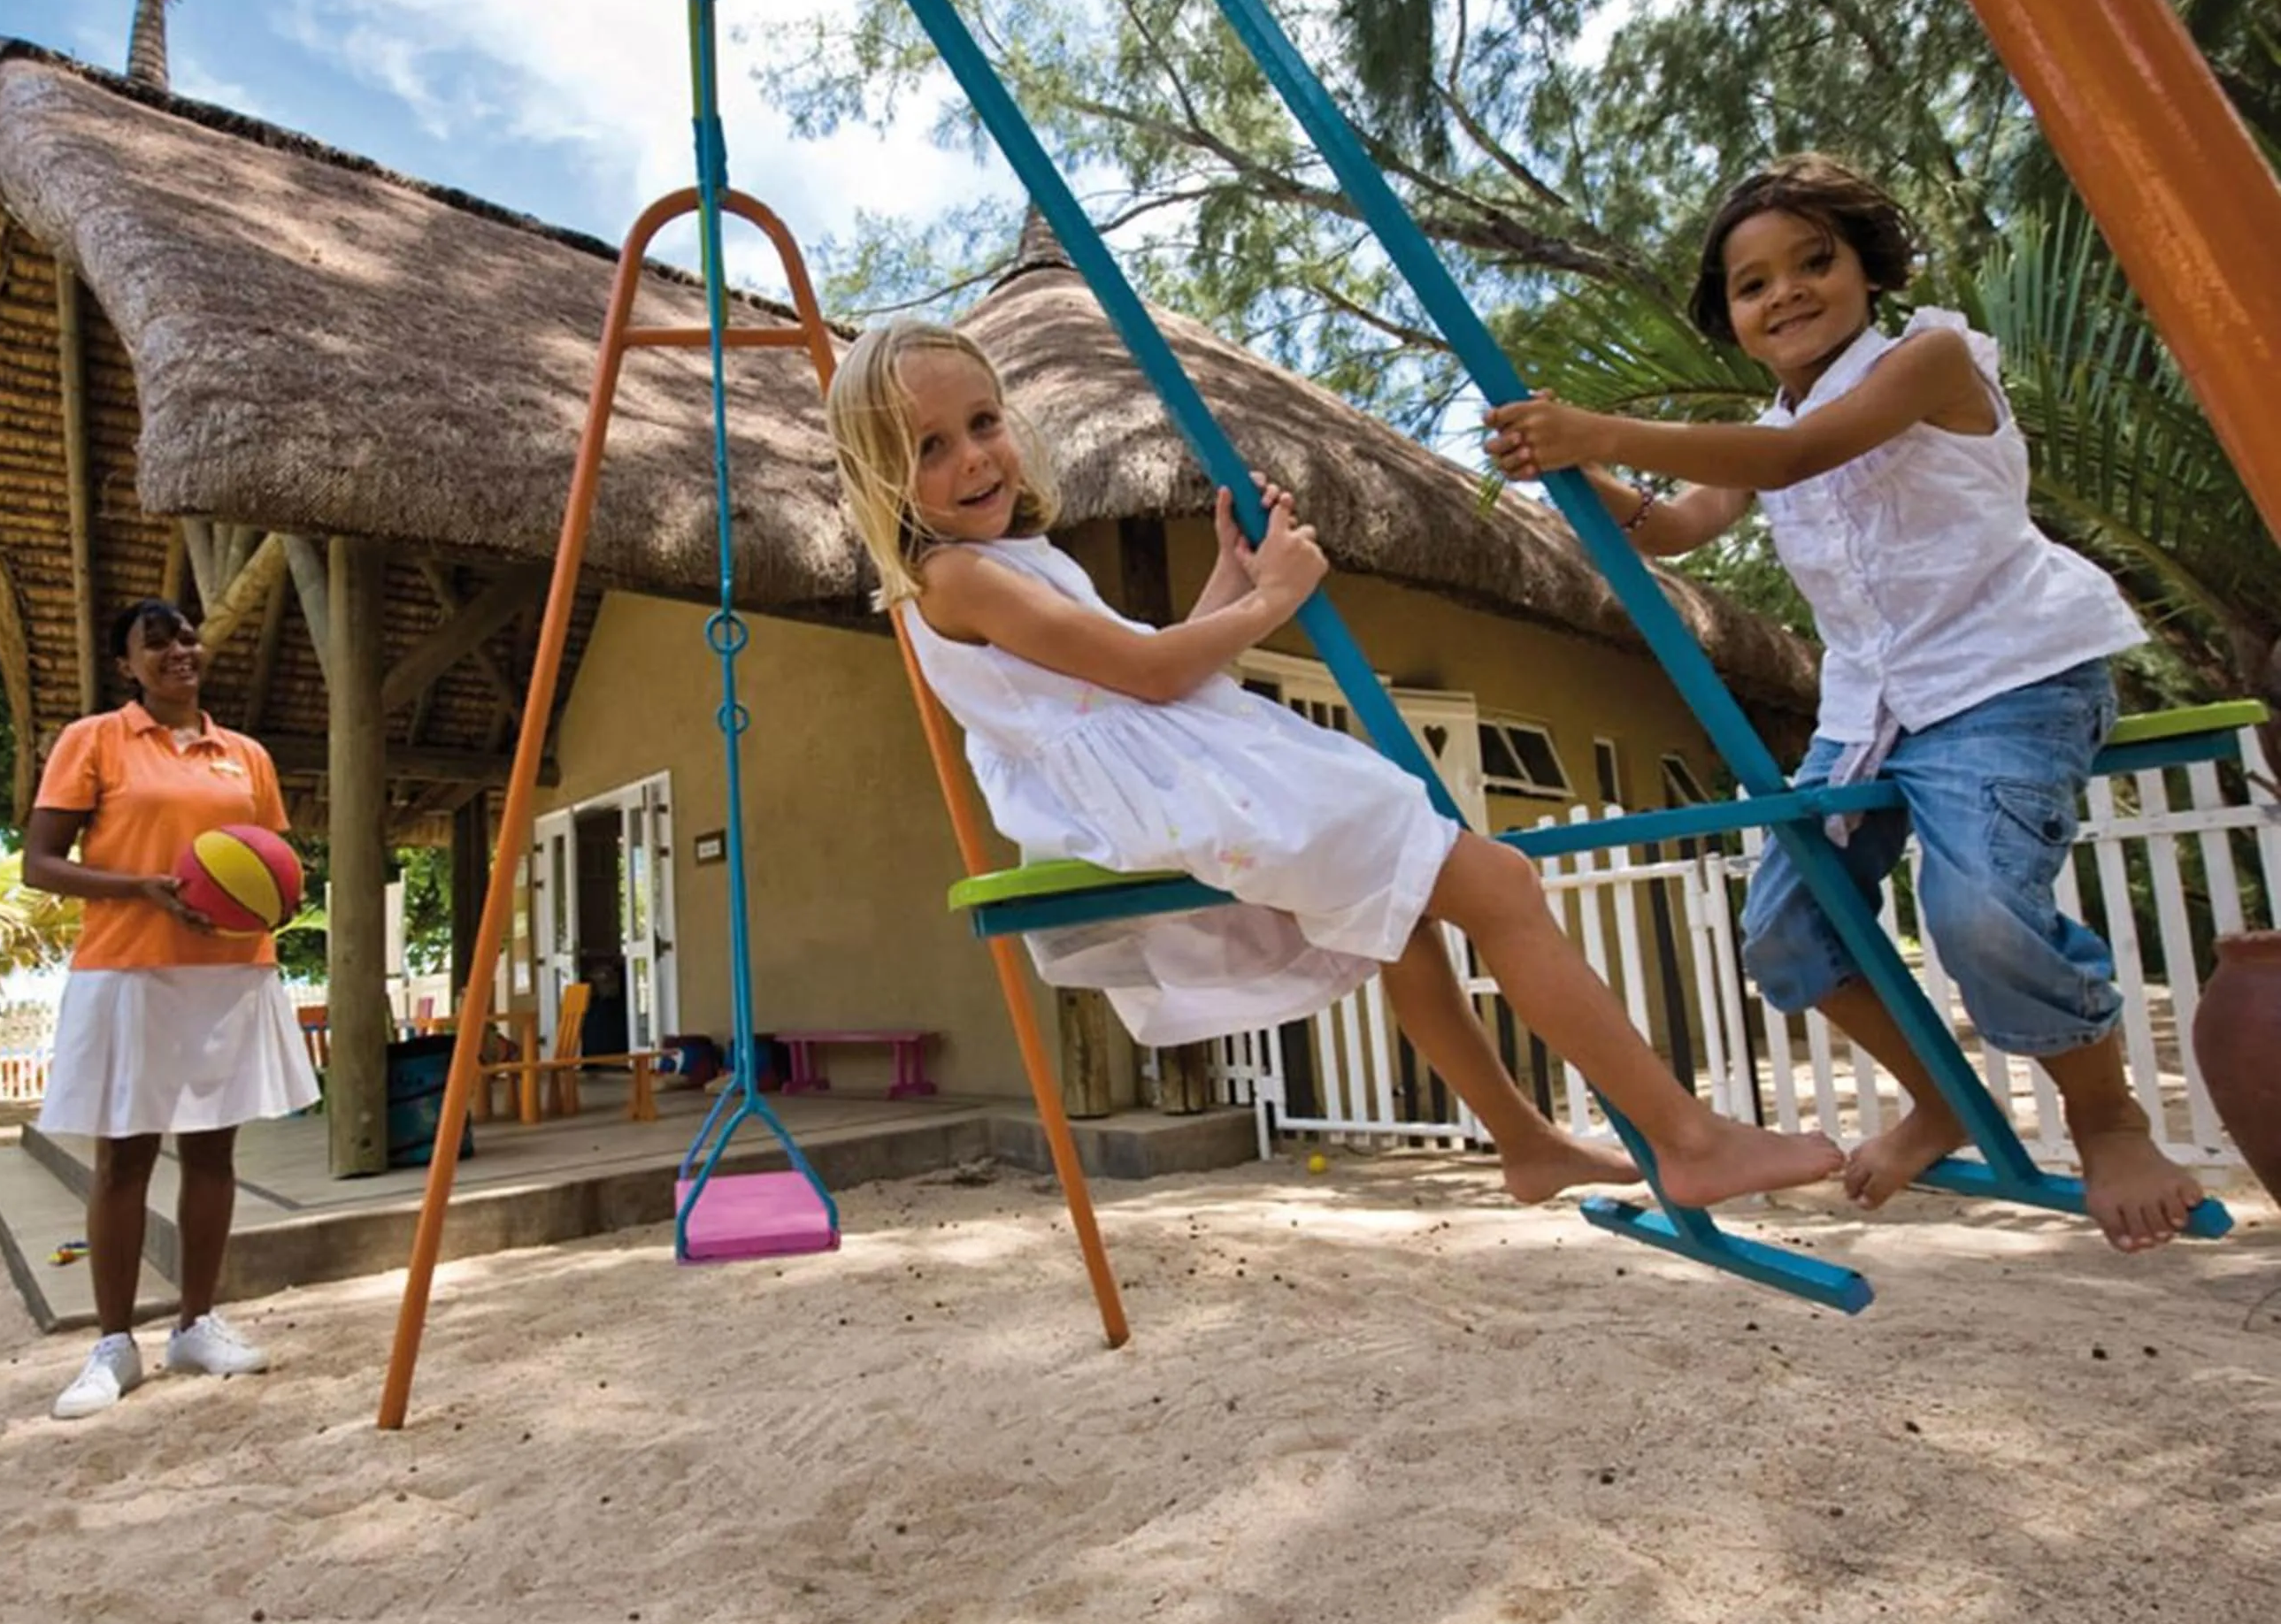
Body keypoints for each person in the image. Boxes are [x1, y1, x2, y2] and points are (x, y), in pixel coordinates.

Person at [825, 321, 1844, 1209]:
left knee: (1399, 919)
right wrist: (1276, 594)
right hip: (1169, 795)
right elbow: (1143, 674)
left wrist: (1229, 573)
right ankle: (1689, 1139)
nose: (973, 459)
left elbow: (1130, 671)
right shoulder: (955, 575)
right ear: (879, 476)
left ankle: (1527, 1144)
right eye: (928, 448)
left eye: (983, 423)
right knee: (1501, 883)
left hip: (1178, 769)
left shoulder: (1008, 558)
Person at [1482, 153, 2204, 1252]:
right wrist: (1579, 478)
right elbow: (1675, 527)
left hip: (2007, 675)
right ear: (1731, 318)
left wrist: (1605, 429)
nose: (1787, 293)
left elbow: (1802, 455)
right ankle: (1943, 1095)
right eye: (1753, 284)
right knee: (1782, 931)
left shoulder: (1932, 357)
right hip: (1873, 705)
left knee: (1979, 913)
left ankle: (2107, 1117)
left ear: (1869, 266)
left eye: (1813, 262)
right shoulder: (1763, 418)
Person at [24, 599, 319, 1419]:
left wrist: (279, 901)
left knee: (215, 1154)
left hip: (229, 974)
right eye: (156, 644)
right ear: (128, 665)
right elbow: (40, 866)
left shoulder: (246, 755)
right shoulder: (94, 741)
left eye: (187, 637)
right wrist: (142, 891)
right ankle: (114, 1345)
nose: (179, 651)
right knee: (123, 1158)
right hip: (129, 971)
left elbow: (268, 860)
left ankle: (195, 1324)